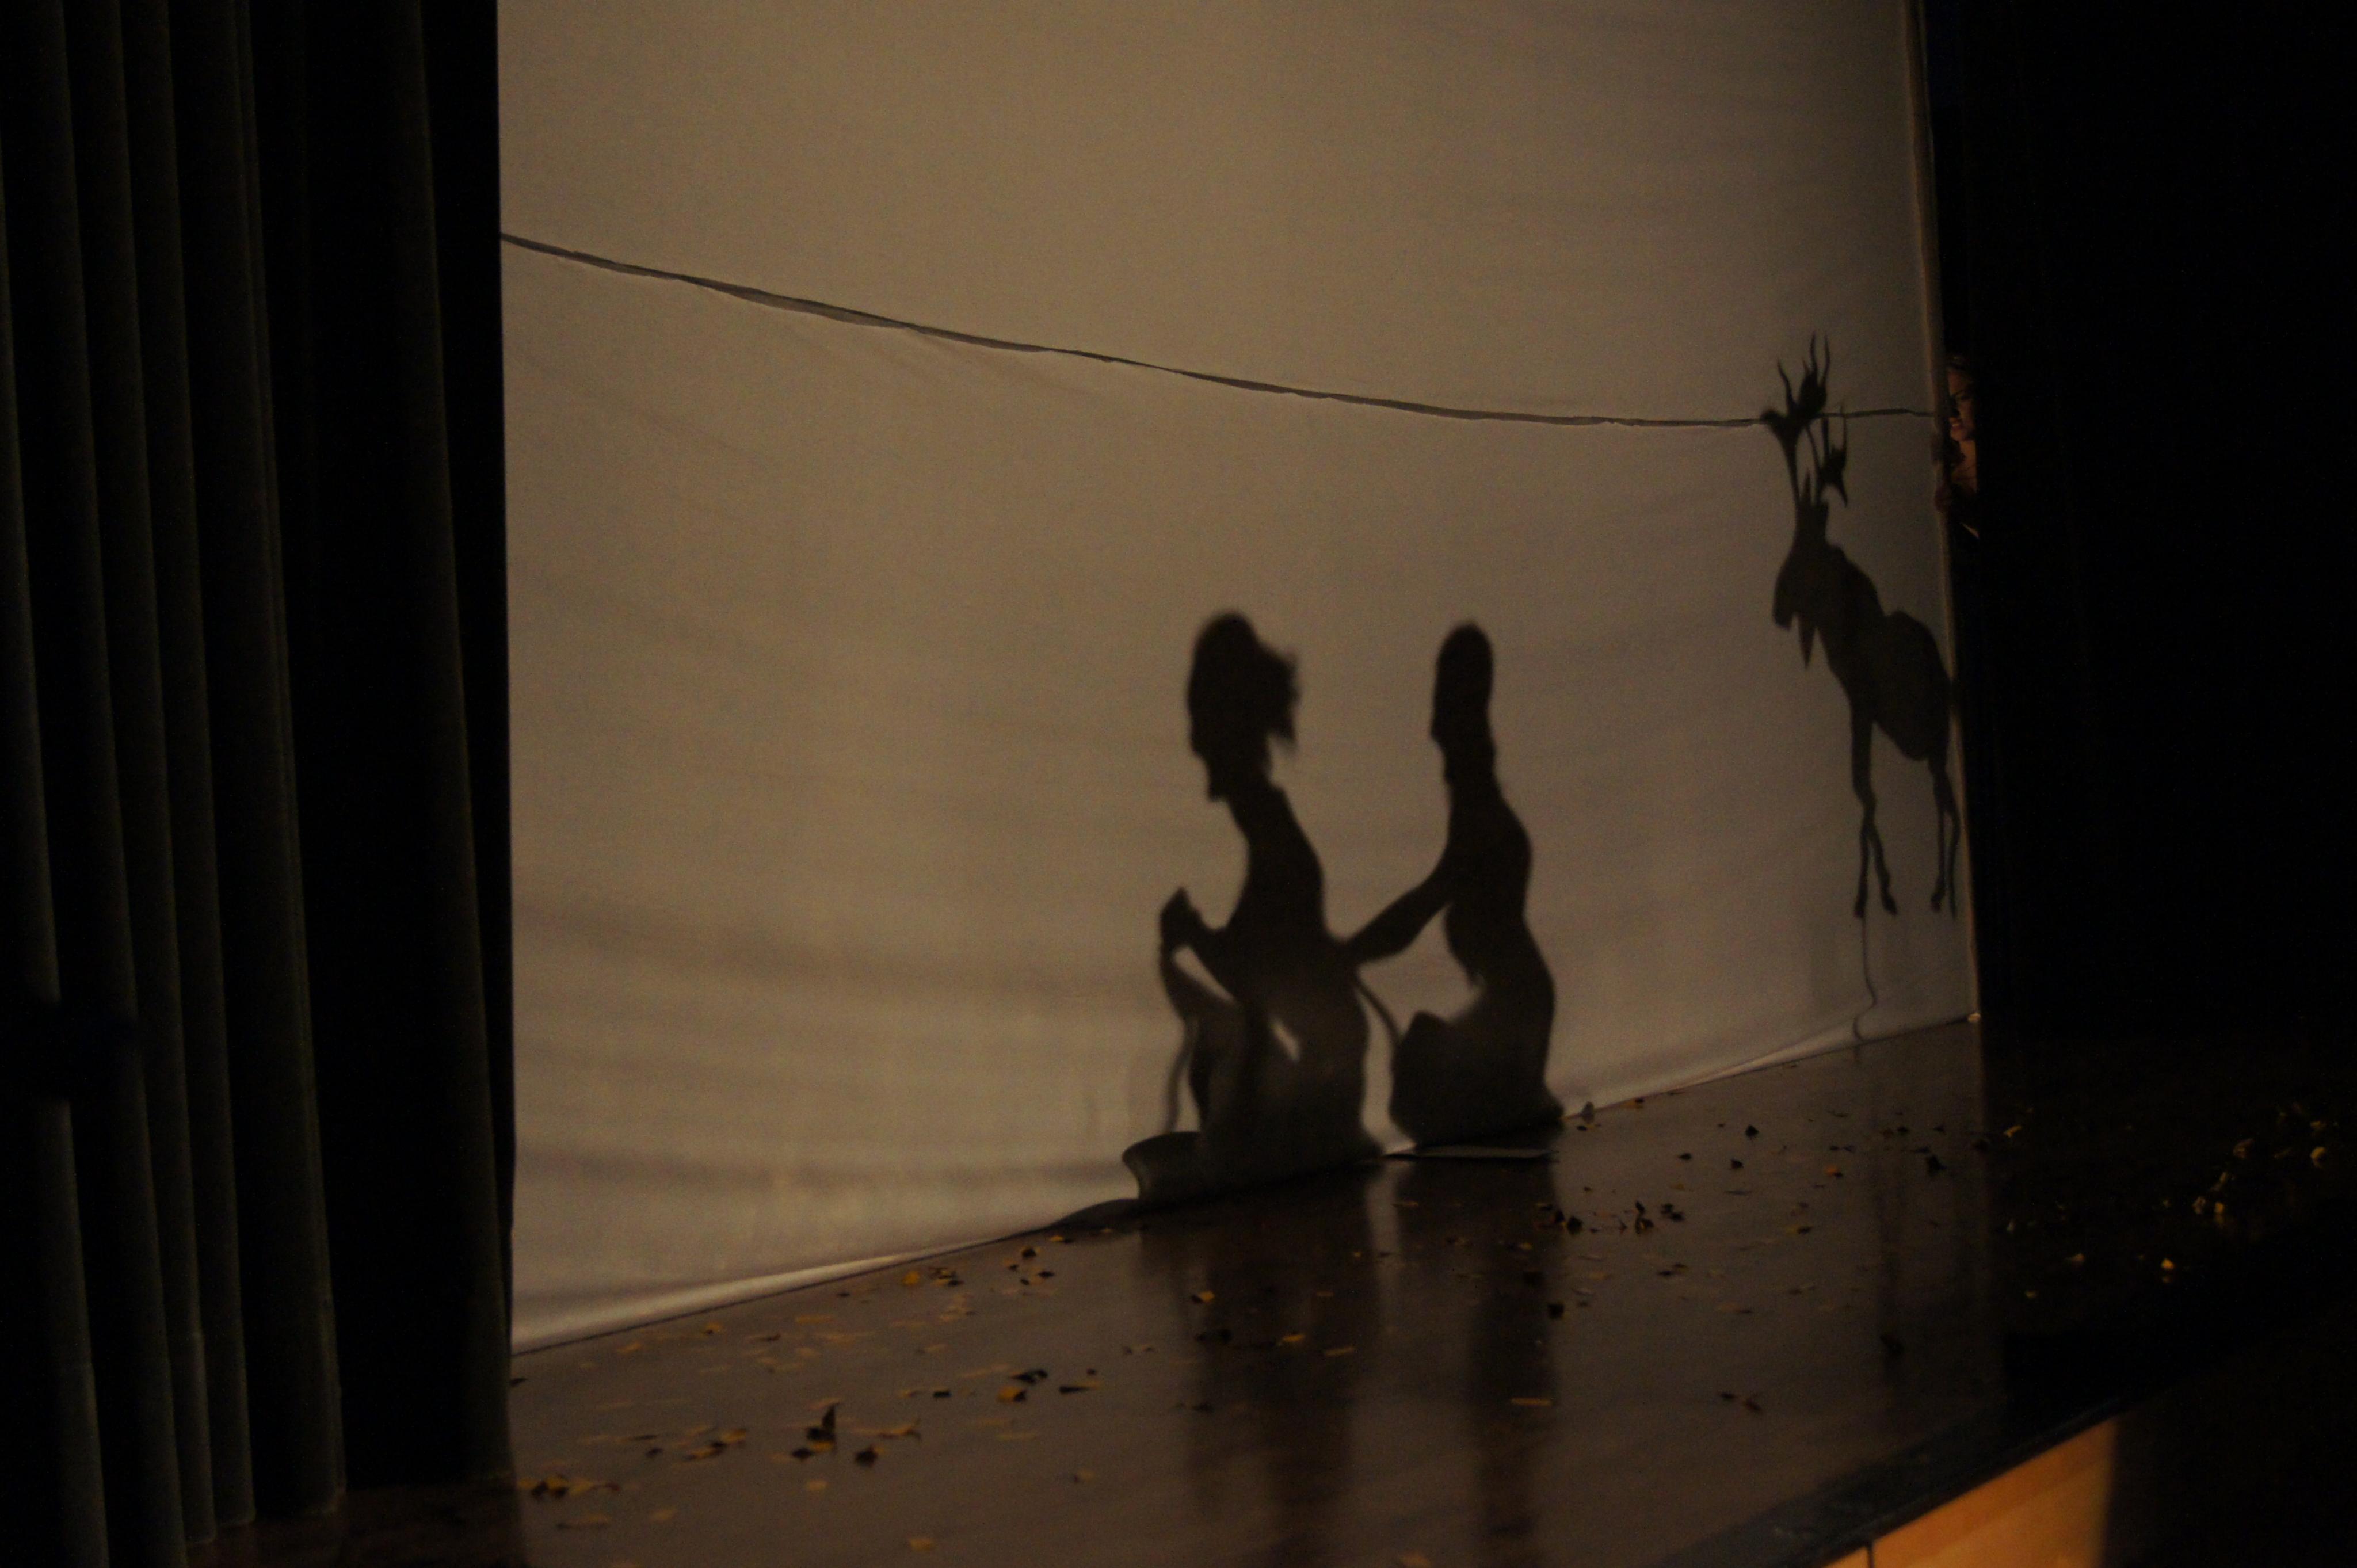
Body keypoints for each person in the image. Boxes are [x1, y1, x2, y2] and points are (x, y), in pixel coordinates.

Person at [1123, 613, 1379, 1203]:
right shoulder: (1270, 833)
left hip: (1315, 1102)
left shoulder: (1275, 840)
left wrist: (1193, 937)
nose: (1194, 742)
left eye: (1201, 720)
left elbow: (1261, 986)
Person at [1345, 624, 1562, 1146]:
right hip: (1519, 1003)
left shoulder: (1478, 814)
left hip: (1518, 1009)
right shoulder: (1476, 810)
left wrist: (1349, 952)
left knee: (1422, 1078)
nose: (1432, 730)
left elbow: (1423, 903)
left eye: (1443, 711)